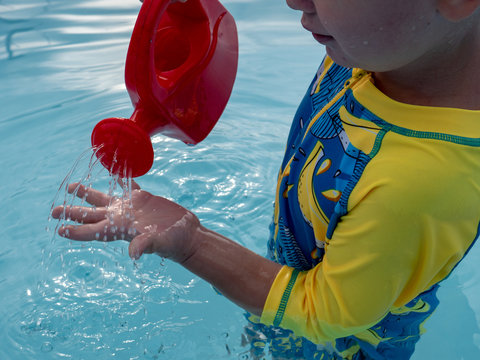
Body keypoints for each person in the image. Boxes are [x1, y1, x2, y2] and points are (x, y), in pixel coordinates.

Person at [52, 0, 480, 358]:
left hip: (341, 348)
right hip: (300, 279)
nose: (294, 0)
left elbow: (326, 316)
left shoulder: (422, 183)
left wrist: (196, 244)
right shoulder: (382, 53)